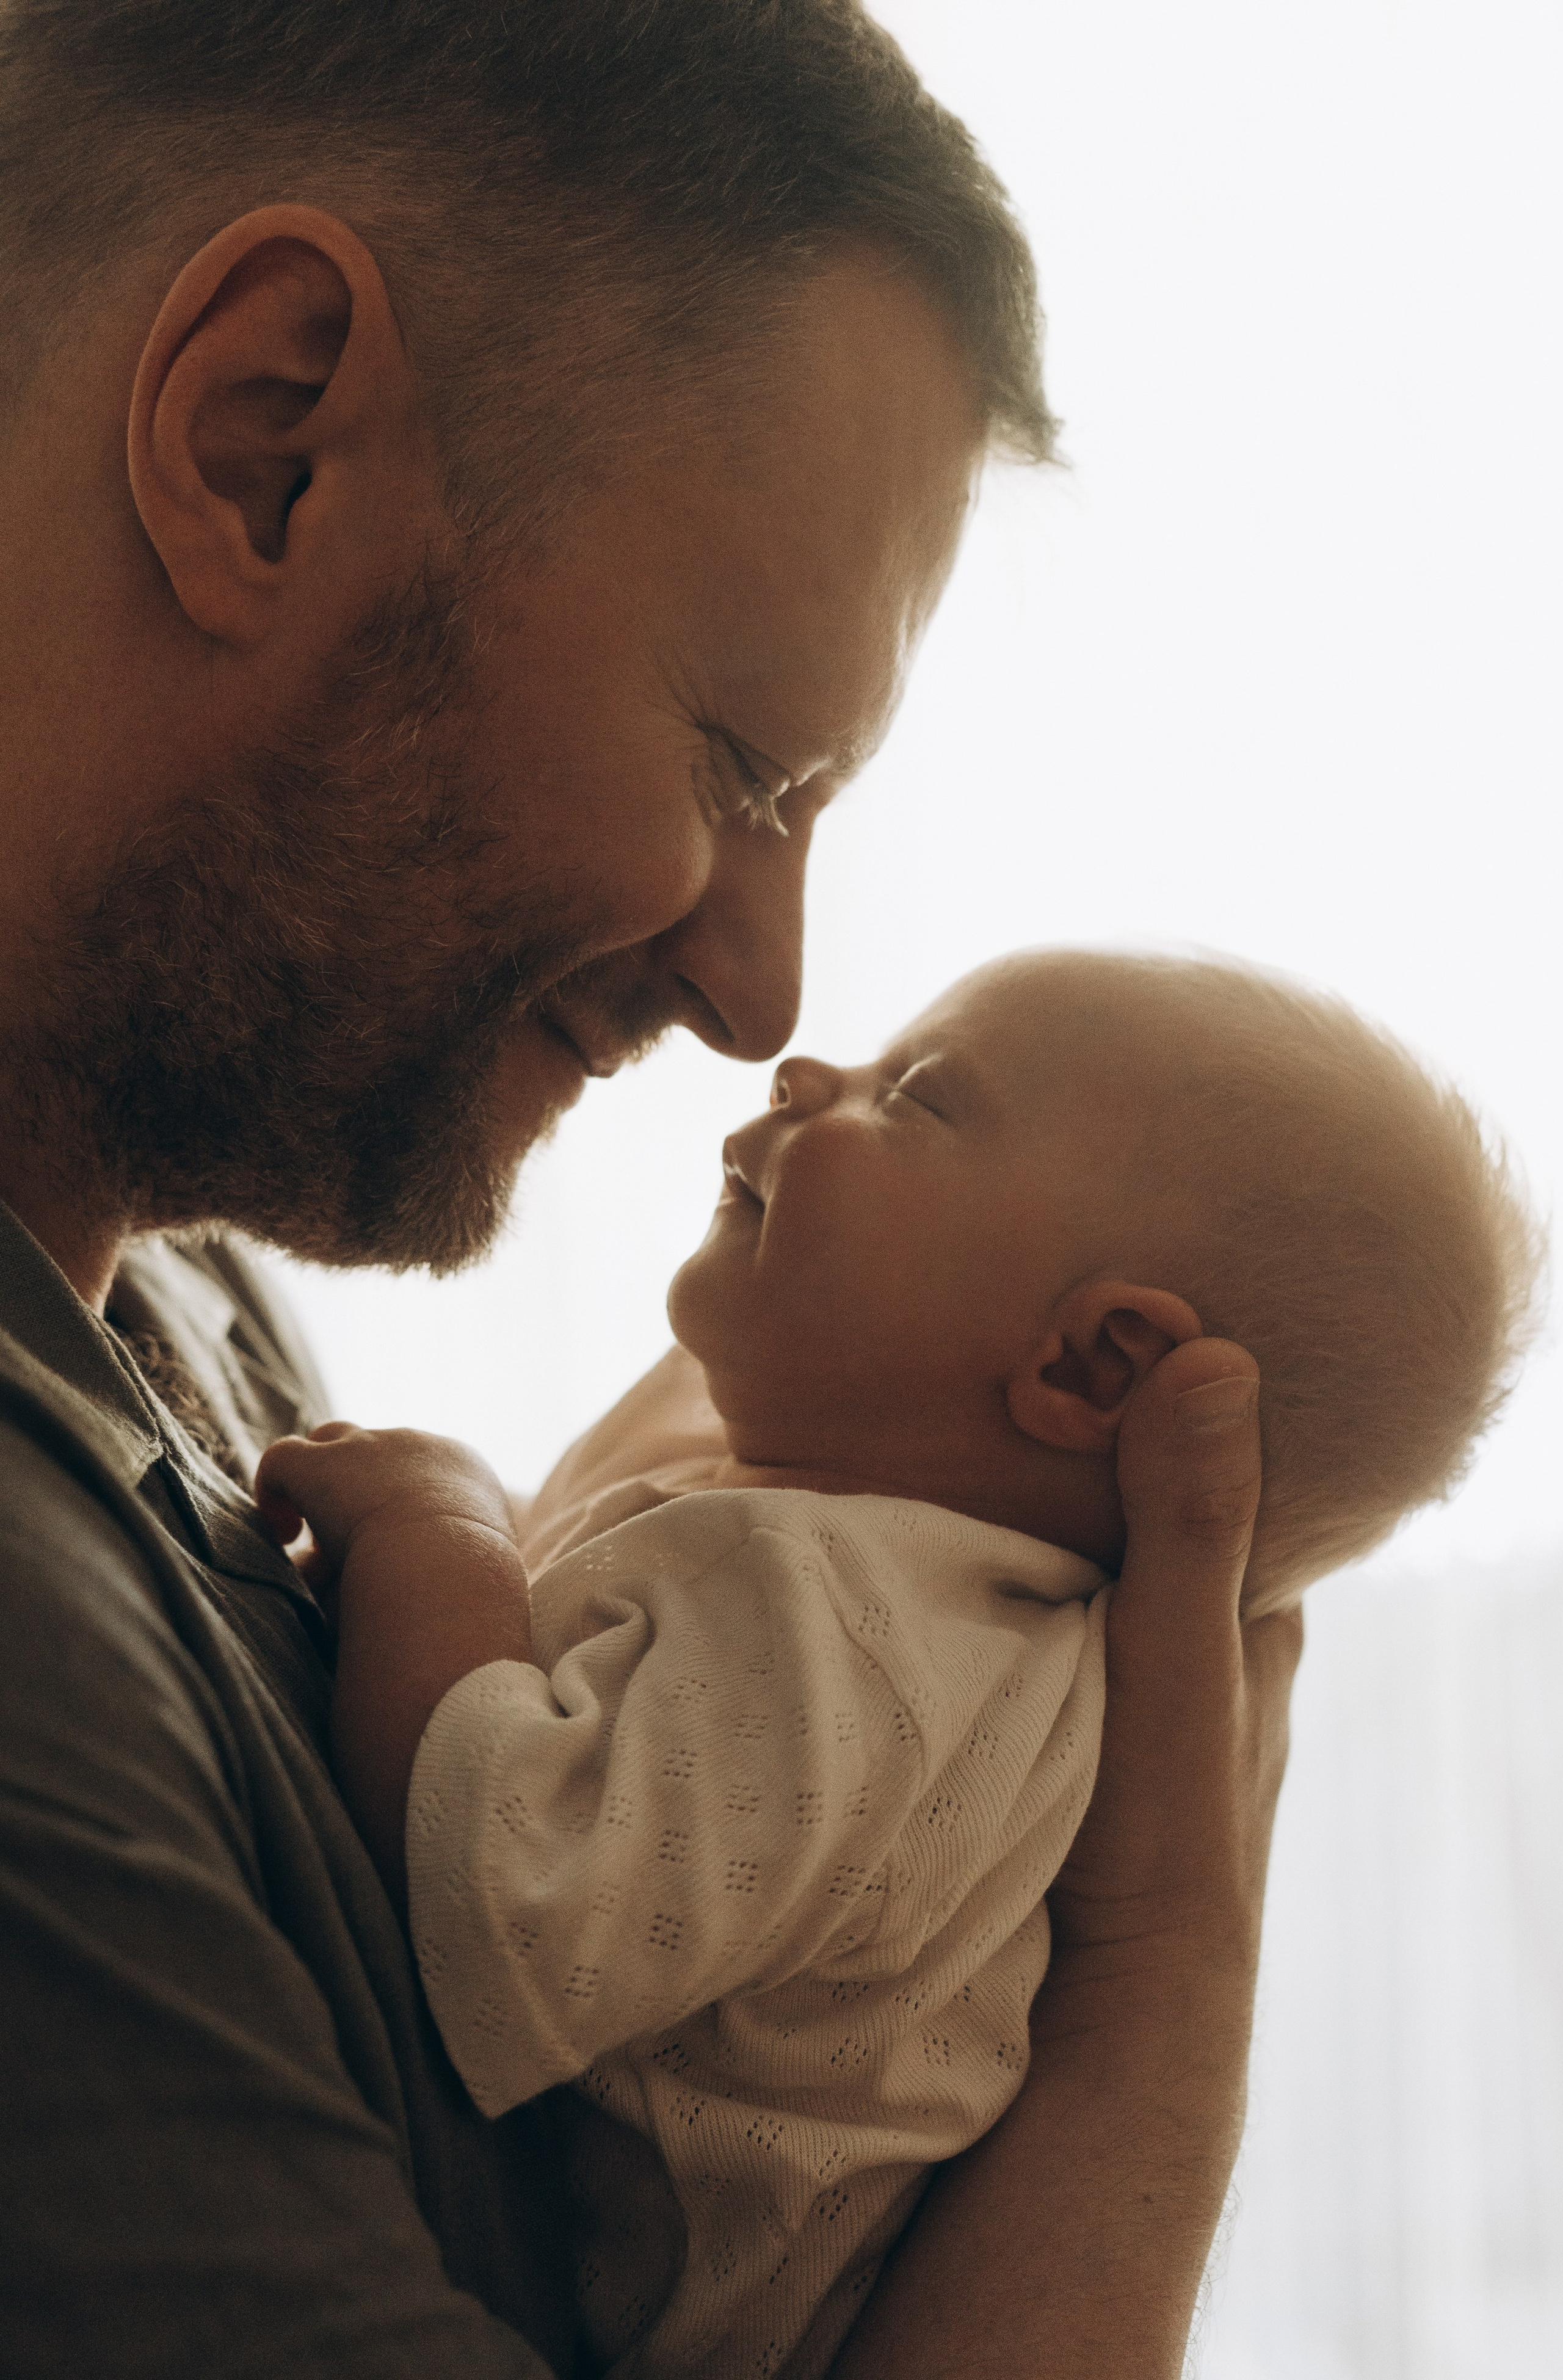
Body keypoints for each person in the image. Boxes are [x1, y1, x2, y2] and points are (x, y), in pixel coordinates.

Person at [0, 5, 1299, 2375]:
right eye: (738, 762)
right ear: (265, 442)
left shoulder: (172, 1322)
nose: (757, 978)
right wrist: (1150, 2006)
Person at [255, 948, 1541, 2380]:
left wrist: (440, 1532)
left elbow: (497, 1909)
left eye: (915, 1095)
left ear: (1091, 1365)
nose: (805, 1071)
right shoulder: (944, 1637)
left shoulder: (850, 1624)